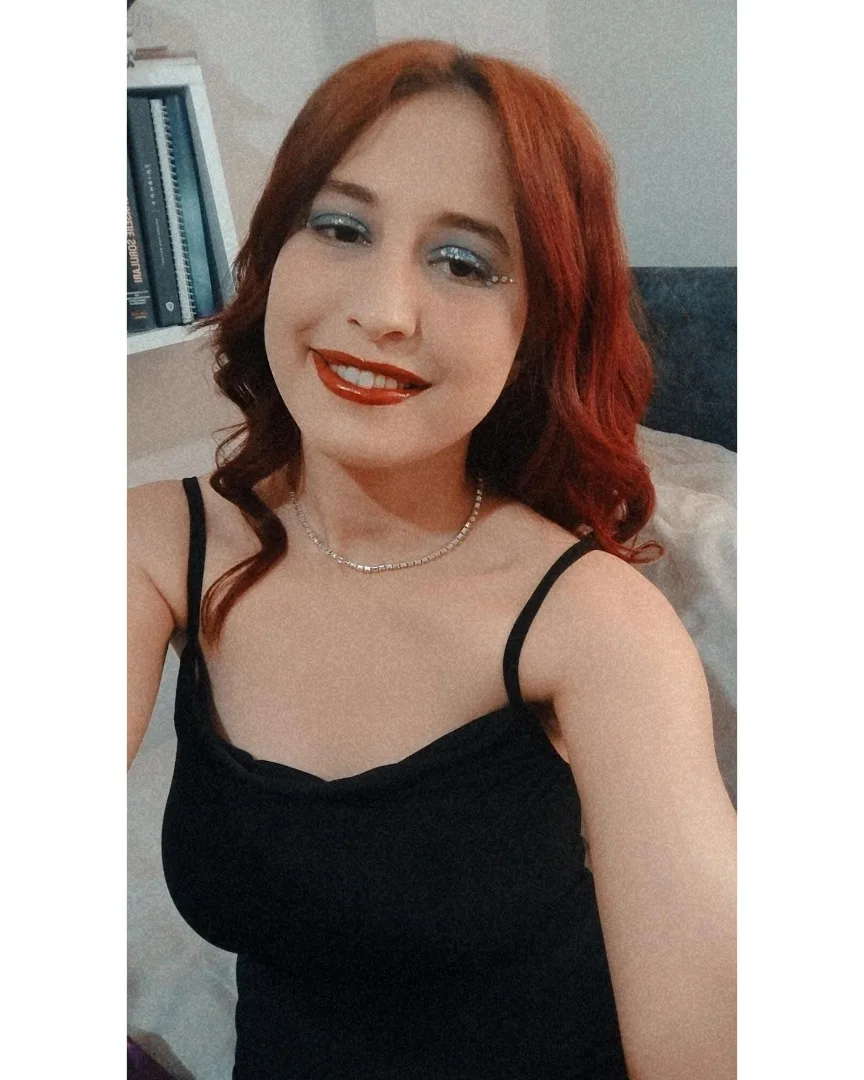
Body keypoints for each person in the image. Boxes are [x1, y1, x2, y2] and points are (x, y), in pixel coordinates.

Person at [128, 38, 736, 1080]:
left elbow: (706, 1047)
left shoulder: (595, 626)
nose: (383, 310)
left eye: (463, 262)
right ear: (274, 252)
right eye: (341, 227)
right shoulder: (156, 544)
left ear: (537, 327)